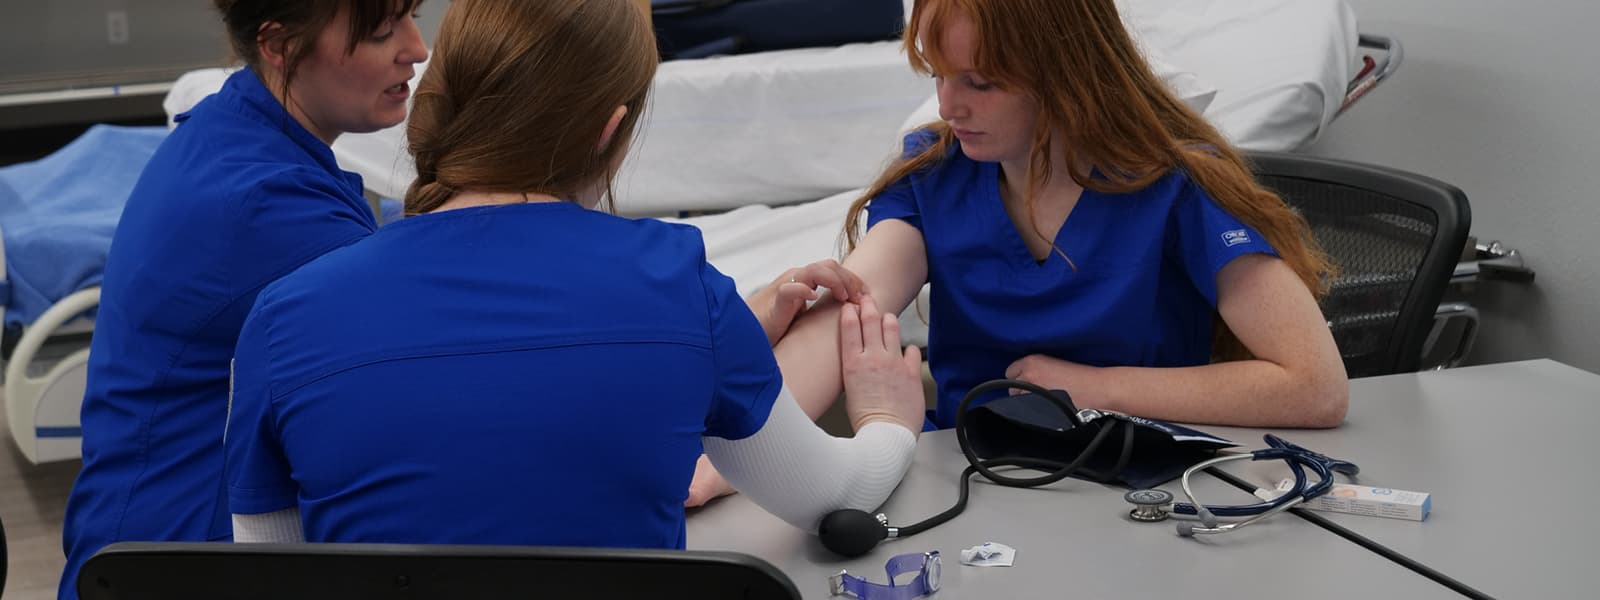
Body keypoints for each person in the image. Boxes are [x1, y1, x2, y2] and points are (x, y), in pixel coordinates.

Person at [223, 0, 927, 548]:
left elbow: (275, 568)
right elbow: (835, 495)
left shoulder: (283, 320)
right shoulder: (678, 289)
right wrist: (886, 420)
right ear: (609, 128)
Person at [690, 0, 1352, 501]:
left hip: (1138, 485)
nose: (949, 106)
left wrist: (1093, 388)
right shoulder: (936, 175)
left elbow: (1314, 386)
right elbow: (846, 320)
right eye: (939, 76)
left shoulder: (1179, 187)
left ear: (1066, 77)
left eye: (980, 83)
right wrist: (721, 468)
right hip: (970, 481)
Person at [60, 0, 427, 596]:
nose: (415, 49)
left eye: (412, 19)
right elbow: (434, 335)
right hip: (176, 557)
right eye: (382, 32)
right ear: (278, 46)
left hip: (136, 527)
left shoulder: (235, 122)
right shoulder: (264, 204)